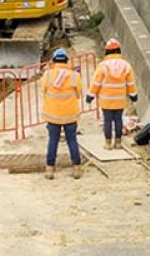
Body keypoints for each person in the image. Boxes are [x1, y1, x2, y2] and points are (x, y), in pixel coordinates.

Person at [87, 38, 138, 150]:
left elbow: (96, 83)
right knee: (118, 120)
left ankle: (108, 143)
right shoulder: (126, 65)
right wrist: (133, 95)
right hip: (119, 100)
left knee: (107, 121)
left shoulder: (103, 66)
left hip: (106, 100)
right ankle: (118, 143)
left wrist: (90, 96)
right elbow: (130, 83)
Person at [40, 47, 83, 179]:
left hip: (53, 115)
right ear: (67, 60)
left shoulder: (47, 75)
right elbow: (78, 94)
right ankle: (76, 169)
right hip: (70, 115)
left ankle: (50, 170)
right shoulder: (75, 76)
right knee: (72, 141)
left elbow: (44, 91)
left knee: (53, 141)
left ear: (53, 60)